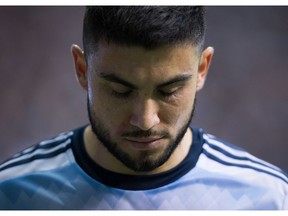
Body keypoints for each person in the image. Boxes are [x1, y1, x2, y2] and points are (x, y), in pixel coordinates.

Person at [0, 6, 287, 210]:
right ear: (81, 69)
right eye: (120, 91)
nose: (145, 120)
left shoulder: (270, 198)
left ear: (202, 69)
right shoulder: (10, 192)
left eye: (169, 90)